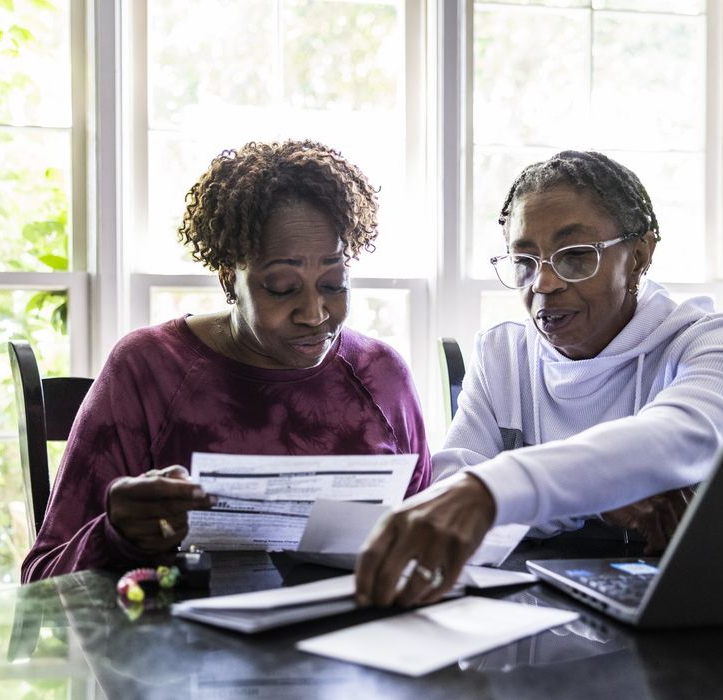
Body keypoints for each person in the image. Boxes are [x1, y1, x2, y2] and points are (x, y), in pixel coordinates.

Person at [355, 150, 723, 607]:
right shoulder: (502, 355)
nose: (543, 284)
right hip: (528, 615)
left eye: (574, 257)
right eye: (525, 260)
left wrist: (498, 490)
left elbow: (681, 435)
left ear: (640, 256)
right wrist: (599, 491)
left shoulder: (714, 343)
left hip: (684, 610)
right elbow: (453, 486)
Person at [24, 140, 432, 583]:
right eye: (281, 287)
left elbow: (433, 551)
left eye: (334, 282)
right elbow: (42, 578)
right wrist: (116, 535)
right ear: (228, 280)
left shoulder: (381, 376)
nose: (315, 313)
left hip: (360, 643)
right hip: (185, 646)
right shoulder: (147, 370)